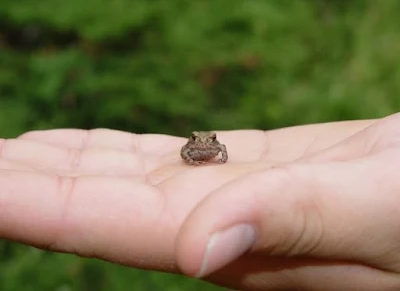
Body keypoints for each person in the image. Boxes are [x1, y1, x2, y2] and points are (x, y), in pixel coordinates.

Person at [1, 112, 400, 291]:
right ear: (195, 140)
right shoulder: (193, 149)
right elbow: (186, 155)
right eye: (200, 140)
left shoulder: (213, 147)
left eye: (207, 140)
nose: (205, 144)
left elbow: (220, 153)